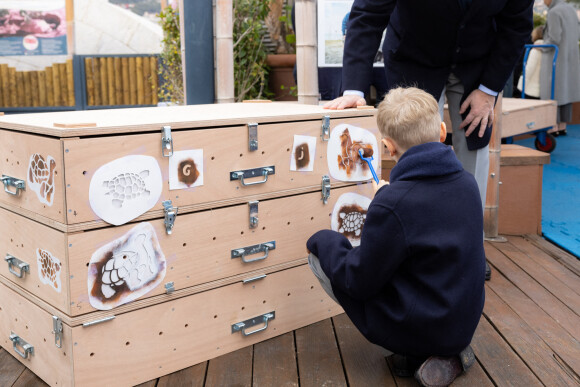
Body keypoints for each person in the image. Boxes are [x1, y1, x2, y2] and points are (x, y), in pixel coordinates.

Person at [324, 0, 534, 281]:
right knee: (414, 147)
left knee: (474, 143)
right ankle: (409, 243)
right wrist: (354, 87)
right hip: (415, 55)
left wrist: (488, 90)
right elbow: (367, 15)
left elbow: (516, 26)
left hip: (477, 61)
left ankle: (469, 247)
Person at [308, 87, 486, 386]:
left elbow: (359, 281)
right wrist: (389, 201)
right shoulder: (468, 184)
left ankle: (418, 351)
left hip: (422, 326)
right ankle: (446, 352)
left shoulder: (393, 204)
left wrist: (323, 239)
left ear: (388, 147)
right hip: (462, 321)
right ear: (442, 132)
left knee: (322, 256)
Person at [540, 0, 580, 135]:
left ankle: (552, 127)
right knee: (566, 92)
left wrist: (540, 45)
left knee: (552, 92)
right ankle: (562, 126)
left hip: (555, 58)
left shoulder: (554, 12)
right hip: (570, 58)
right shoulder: (571, 10)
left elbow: (554, 38)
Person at [517, 26, 546, 99]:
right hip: (542, 90)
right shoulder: (548, 50)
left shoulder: (535, 50)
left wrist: (521, 86)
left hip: (530, 90)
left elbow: (529, 69)